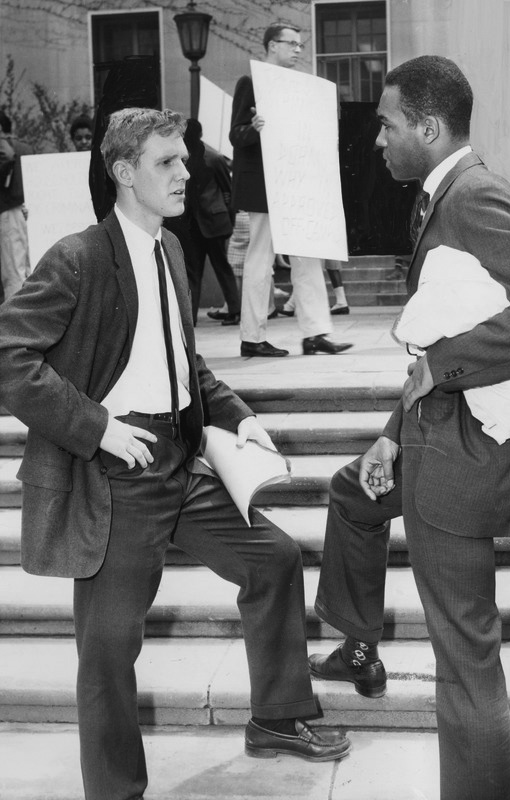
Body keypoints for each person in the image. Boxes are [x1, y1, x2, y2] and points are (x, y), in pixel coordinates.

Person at [0, 107, 350, 800]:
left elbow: (183, 363)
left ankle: (277, 716)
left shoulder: (170, 252)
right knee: (107, 651)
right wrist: (96, 426)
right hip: (115, 471)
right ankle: (115, 790)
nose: (186, 172)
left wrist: (238, 417)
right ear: (126, 173)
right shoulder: (77, 257)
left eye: (183, 158)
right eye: (168, 162)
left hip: (178, 461)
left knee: (273, 560)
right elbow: (11, 356)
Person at [308, 56, 510, 800]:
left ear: (428, 128)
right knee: (351, 493)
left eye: (387, 125)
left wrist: (446, 366)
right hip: (429, 434)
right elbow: (439, 334)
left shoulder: (474, 193)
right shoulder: (444, 192)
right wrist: (393, 429)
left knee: (464, 662)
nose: (378, 139)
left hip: (459, 458)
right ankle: (358, 642)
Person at [230, 22, 352, 357]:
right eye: (292, 44)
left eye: (300, 45)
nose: (299, 50)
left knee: (308, 258)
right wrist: (254, 129)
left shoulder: (300, 87)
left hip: (296, 184)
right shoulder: (251, 82)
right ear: (272, 45)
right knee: (260, 259)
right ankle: (252, 338)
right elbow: (236, 136)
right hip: (264, 187)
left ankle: (315, 333)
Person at [182, 118, 241, 326]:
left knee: (221, 266)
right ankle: (190, 317)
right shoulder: (182, 159)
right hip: (193, 225)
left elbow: (228, 191)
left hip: (214, 223)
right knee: (193, 271)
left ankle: (235, 310)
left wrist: (228, 221)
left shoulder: (213, 158)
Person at [0, 109, 32, 300]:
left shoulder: (5, 146)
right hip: (19, 209)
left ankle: (15, 325)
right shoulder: (24, 146)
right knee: (22, 269)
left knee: (13, 274)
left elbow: (6, 156)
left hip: (7, 210)